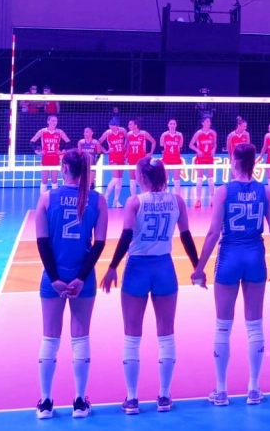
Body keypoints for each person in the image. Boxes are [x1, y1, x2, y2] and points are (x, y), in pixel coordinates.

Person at [100, 158, 199, 415]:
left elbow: (126, 236)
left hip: (137, 269)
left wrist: (112, 267)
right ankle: (164, 396)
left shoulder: (135, 202)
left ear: (143, 177)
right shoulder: (177, 201)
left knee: (132, 337)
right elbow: (186, 235)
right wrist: (197, 266)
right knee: (166, 335)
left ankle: (132, 398)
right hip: (164, 268)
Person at [192, 144, 270, 406]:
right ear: (254, 163)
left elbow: (213, 233)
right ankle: (254, 389)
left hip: (229, 258)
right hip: (255, 257)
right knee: (255, 324)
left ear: (233, 162)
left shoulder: (223, 191)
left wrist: (199, 268)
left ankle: (221, 390)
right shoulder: (265, 192)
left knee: (223, 325)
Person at [34, 149, 108, 419]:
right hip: (83, 279)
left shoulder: (46, 198)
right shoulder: (97, 200)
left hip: (52, 278)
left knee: (49, 337)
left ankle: (45, 402)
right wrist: (80, 278)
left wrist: (55, 279)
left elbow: (42, 242)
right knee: (81, 337)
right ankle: (79, 402)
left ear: (64, 168)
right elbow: (99, 243)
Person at [30, 115, 70, 192]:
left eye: (56, 121)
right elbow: (32, 142)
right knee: (44, 180)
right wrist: (37, 151)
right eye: (53, 121)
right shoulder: (42, 131)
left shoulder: (59, 132)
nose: (55, 122)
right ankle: (42, 196)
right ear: (48, 121)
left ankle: (54, 196)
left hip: (55, 157)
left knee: (54, 180)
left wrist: (63, 151)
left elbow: (68, 142)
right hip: (46, 157)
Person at [190, 116, 218, 209]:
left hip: (209, 157)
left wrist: (213, 150)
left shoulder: (213, 133)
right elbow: (191, 145)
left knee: (211, 179)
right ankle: (198, 200)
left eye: (209, 121)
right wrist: (198, 150)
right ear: (203, 123)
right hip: (201, 158)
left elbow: (215, 144)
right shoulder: (198, 133)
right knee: (199, 179)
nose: (209, 123)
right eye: (207, 121)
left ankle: (213, 200)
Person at [126, 119, 157, 199]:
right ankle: (133, 198)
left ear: (136, 125)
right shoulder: (128, 134)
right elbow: (127, 147)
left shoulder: (143, 133)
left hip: (141, 159)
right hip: (131, 158)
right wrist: (126, 156)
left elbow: (153, 142)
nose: (128, 126)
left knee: (142, 177)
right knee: (132, 178)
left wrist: (151, 153)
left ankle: (144, 197)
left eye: (130, 124)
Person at [98, 118, 126, 207]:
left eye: (114, 126)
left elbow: (128, 139)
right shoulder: (107, 133)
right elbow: (98, 142)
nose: (112, 128)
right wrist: (105, 151)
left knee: (120, 180)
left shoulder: (122, 131)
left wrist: (125, 147)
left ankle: (116, 201)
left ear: (117, 126)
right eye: (111, 126)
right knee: (116, 178)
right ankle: (105, 198)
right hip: (113, 157)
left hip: (122, 156)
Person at [159, 119, 184, 196]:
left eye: (174, 124)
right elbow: (161, 146)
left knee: (177, 180)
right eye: (171, 124)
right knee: (165, 179)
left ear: (176, 125)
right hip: (166, 160)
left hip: (176, 159)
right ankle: (163, 195)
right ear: (168, 125)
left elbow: (180, 147)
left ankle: (177, 196)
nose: (172, 125)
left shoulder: (179, 135)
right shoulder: (164, 135)